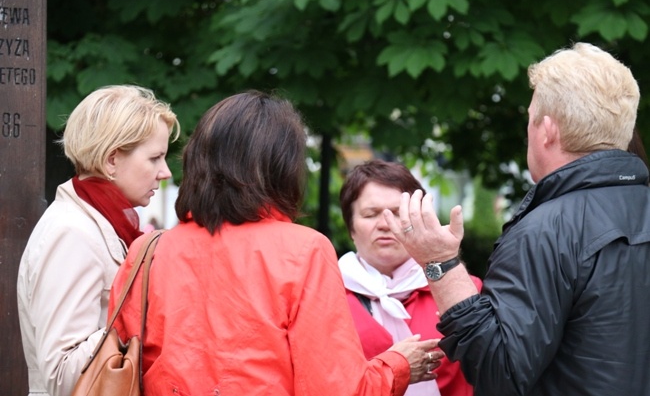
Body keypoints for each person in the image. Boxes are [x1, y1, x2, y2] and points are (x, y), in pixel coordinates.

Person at [108, 90, 443, 396]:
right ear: (282, 166)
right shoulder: (303, 251)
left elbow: (126, 362)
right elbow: (335, 389)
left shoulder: (148, 251)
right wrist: (397, 366)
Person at [383, 42, 650, 396]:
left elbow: (499, 371)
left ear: (547, 130)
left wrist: (439, 264)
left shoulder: (547, 230)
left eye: (530, 118)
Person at [17, 85, 180, 396]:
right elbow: (62, 375)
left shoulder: (96, 223)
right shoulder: (72, 234)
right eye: (155, 158)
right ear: (111, 160)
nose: (165, 172)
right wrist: (142, 314)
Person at [338, 159, 482, 396]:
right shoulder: (327, 294)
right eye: (371, 214)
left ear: (417, 220)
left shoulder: (460, 289)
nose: (385, 224)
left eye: (396, 213)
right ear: (351, 227)